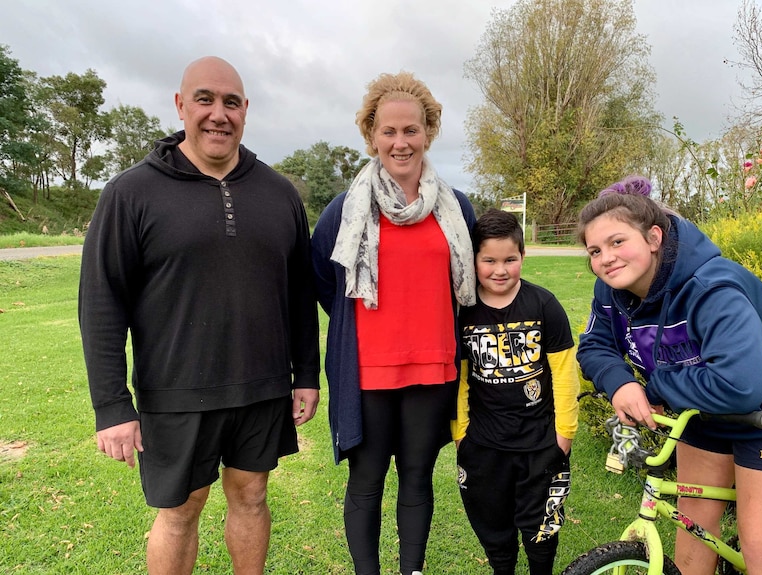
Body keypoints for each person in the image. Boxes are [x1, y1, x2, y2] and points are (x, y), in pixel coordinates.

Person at [78, 56, 320, 575]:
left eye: (231, 102)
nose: (218, 114)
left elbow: (299, 293)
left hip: (261, 386)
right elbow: (101, 301)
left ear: (246, 110)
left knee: (252, 496)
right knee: (180, 512)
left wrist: (306, 375)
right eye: (205, 99)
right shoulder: (132, 192)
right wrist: (112, 406)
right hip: (175, 390)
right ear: (180, 105)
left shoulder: (279, 194)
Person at [576, 175, 762, 575]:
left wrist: (659, 384)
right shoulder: (609, 290)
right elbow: (594, 345)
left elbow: (741, 387)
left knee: (761, 548)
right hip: (700, 407)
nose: (605, 258)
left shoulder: (712, 288)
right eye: (594, 250)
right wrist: (621, 382)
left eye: (617, 242)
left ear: (654, 237)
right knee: (693, 531)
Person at [311, 71, 476, 575]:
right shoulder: (345, 210)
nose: (400, 142)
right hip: (367, 372)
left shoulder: (455, 208)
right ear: (371, 135)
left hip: (432, 369)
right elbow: (324, 279)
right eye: (389, 131)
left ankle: (412, 570)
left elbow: (465, 286)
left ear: (428, 132)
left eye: (411, 130)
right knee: (365, 481)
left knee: (418, 478)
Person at [452, 208, 579, 575]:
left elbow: (564, 376)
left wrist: (564, 436)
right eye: (488, 260)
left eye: (510, 259)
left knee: (542, 529)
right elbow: (458, 381)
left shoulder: (544, 306)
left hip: (540, 444)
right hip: (483, 445)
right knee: (493, 528)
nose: (500, 270)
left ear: (523, 255)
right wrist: (460, 435)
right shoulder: (463, 312)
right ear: (473, 259)